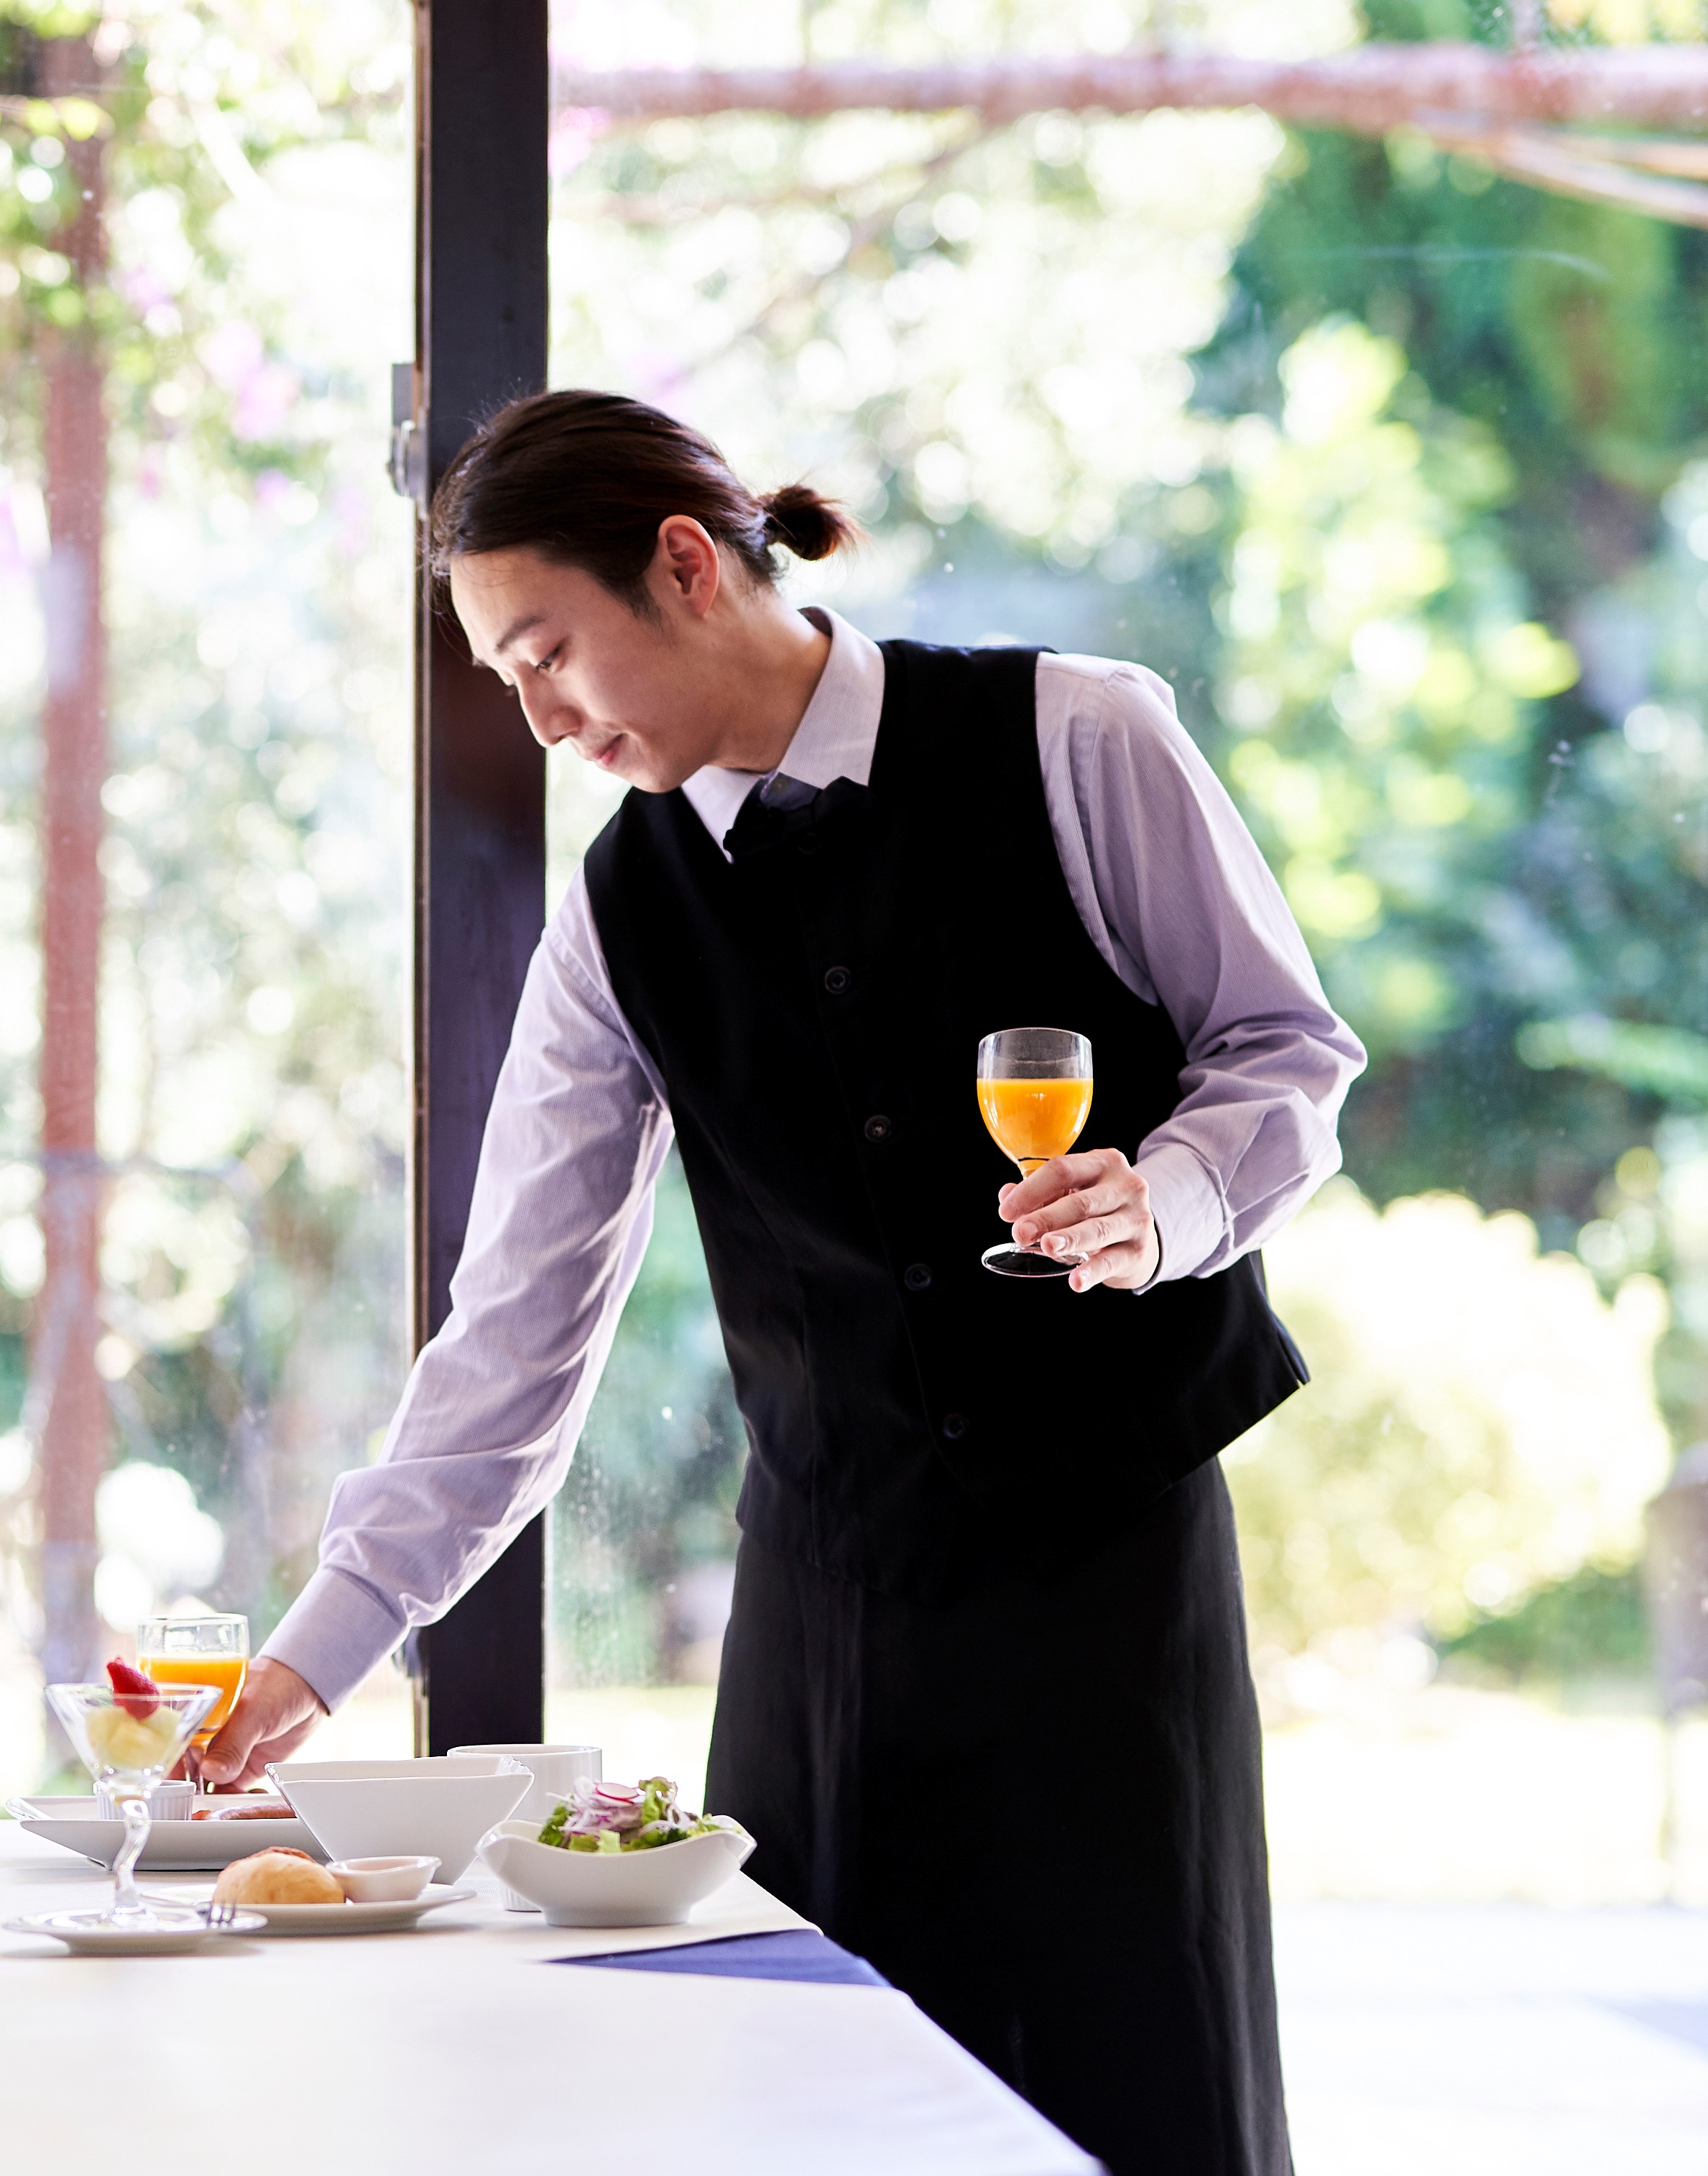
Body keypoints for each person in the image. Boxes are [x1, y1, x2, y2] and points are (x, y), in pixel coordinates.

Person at [198, 392, 1357, 2176]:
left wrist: (1171, 1200)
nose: (540, 716)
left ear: (680, 563)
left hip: (1102, 1594)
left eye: (548, 652)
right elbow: (518, 1320)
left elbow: (1284, 1049)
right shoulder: (619, 906)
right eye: (508, 675)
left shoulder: (1077, 736)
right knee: (823, 2116)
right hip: (828, 1617)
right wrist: (322, 1645)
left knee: (1143, 2093)